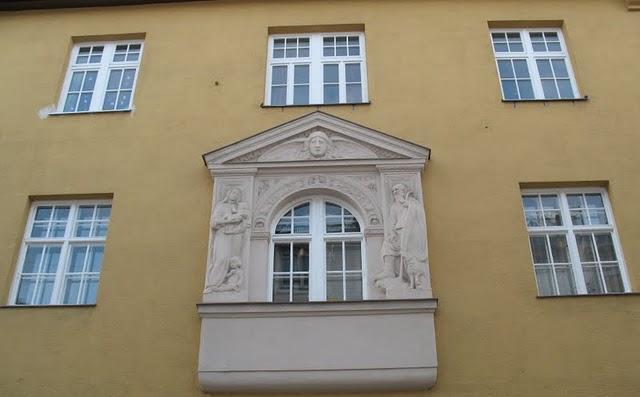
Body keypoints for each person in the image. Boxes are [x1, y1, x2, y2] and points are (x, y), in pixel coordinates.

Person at [374, 183, 427, 290]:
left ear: (403, 191)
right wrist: (392, 234)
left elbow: (420, 214)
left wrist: (410, 206)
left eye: (397, 190)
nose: (394, 192)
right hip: (398, 233)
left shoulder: (412, 203)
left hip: (410, 234)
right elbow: (391, 221)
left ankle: (412, 280)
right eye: (393, 191)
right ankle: (389, 270)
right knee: (387, 244)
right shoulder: (394, 206)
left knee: (407, 254)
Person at [204, 187, 249, 293]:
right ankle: (213, 284)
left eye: (238, 194)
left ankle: (231, 284)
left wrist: (241, 219)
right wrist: (229, 220)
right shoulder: (221, 206)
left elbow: (245, 223)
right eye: (233, 192)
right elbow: (214, 223)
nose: (235, 195)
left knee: (233, 261)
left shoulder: (240, 208)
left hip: (236, 235)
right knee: (221, 258)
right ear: (228, 193)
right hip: (223, 235)